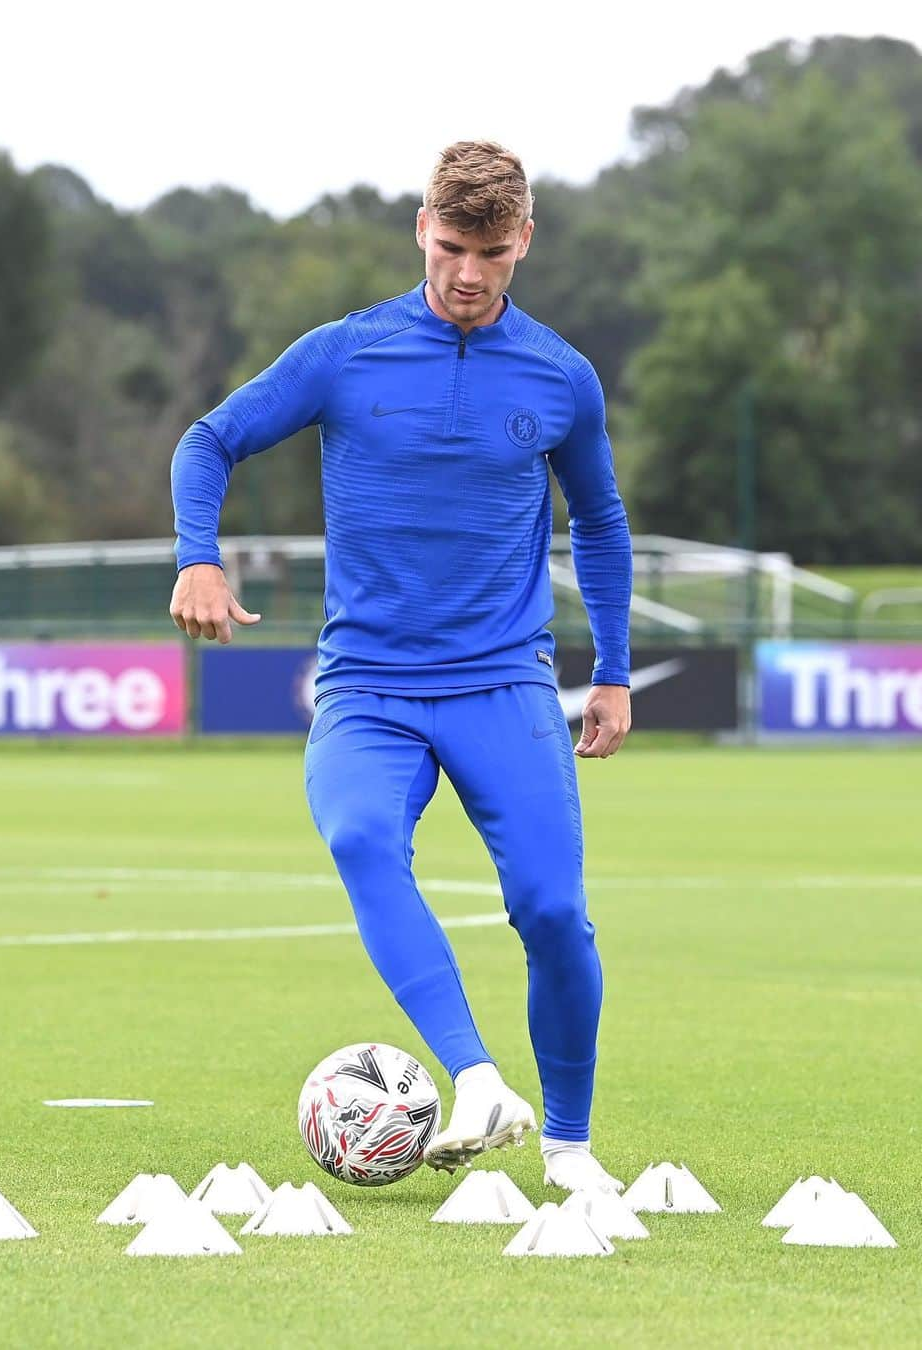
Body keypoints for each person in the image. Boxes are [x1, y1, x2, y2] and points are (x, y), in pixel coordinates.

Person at [169, 141, 633, 1192]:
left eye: (494, 252)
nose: (470, 274)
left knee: (553, 912)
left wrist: (612, 669)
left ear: (525, 241)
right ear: (422, 226)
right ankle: (474, 1078)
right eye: (454, 245)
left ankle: (568, 1145)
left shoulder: (562, 376)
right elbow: (210, 440)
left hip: (504, 684)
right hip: (368, 686)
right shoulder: (345, 353)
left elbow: (599, 521)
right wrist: (198, 554)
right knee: (361, 833)